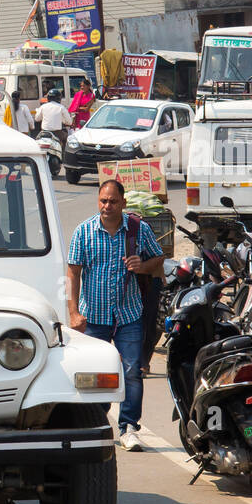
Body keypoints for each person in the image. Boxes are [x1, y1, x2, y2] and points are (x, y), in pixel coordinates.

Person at [66, 179, 165, 452]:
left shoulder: (138, 230)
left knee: (132, 372)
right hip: (93, 317)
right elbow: (73, 273)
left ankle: (129, 427)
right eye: (103, 201)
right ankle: (95, 421)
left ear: (123, 203)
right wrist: (73, 312)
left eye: (112, 201)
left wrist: (141, 265)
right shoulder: (84, 231)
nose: (107, 206)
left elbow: (158, 261)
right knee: (93, 375)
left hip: (129, 315)